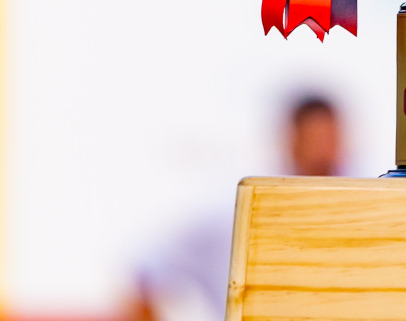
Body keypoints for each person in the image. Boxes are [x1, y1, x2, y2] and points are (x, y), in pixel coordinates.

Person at [126, 95, 345, 321]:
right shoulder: (232, 208)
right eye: (316, 141)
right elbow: (145, 270)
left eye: (331, 142)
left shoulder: (356, 213)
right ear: (292, 141)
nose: (325, 154)